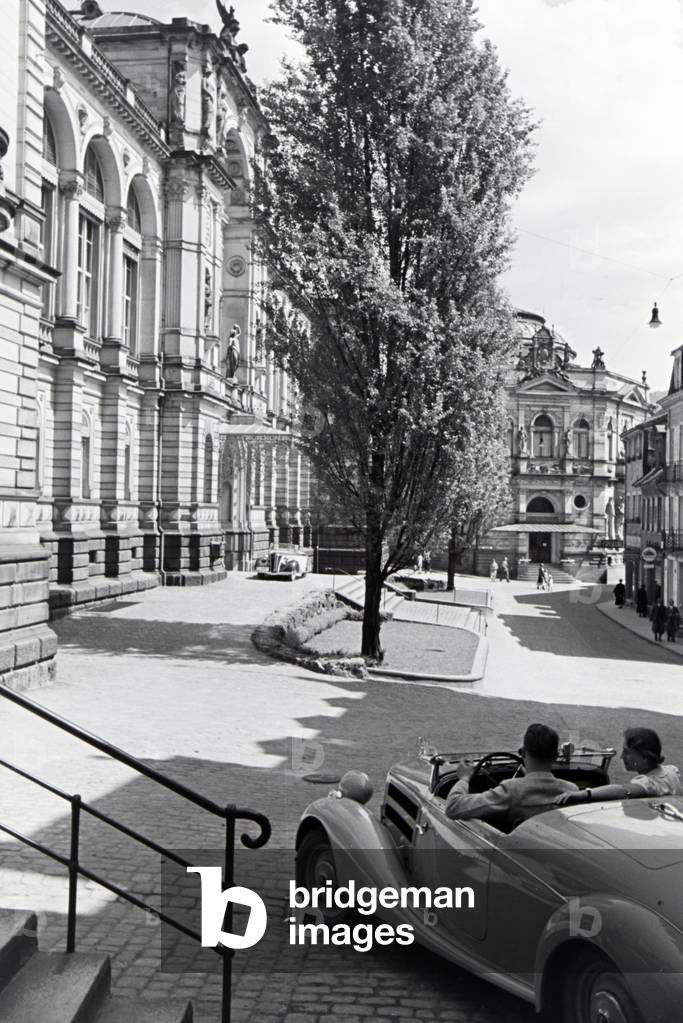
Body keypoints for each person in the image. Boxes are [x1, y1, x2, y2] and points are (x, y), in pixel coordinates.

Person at [445, 723, 578, 828]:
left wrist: (464, 778)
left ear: (523, 753)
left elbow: (452, 807)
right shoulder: (572, 790)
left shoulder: (512, 789)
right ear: (556, 756)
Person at [556, 728, 682, 806]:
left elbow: (623, 790)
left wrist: (583, 794)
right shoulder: (671, 771)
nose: (621, 756)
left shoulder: (649, 784)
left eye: (627, 752)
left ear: (644, 757)